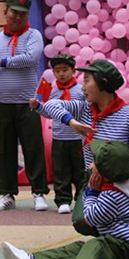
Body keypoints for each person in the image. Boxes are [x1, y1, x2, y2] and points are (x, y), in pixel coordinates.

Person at [1, 140, 129, 259]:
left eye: (94, 164)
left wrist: (91, 192)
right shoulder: (115, 187)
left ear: (103, 174)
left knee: (98, 245)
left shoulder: (113, 195)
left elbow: (90, 217)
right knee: (79, 247)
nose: (90, 166)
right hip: (118, 243)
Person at [40, 59, 129, 235]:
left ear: (103, 83)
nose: (82, 87)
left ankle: (124, 237)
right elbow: (50, 105)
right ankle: (112, 235)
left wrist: (109, 165)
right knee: (81, 221)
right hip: (92, 178)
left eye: (87, 81)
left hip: (121, 180)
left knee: (112, 215)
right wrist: (71, 121)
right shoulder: (84, 110)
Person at [0, 0, 49, 212]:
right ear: (5, 12)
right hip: (2, 104)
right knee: (4, 150)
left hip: (28, 103)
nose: (18, 17)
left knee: (33, 148)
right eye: (14, 12)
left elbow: (30, 58)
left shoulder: (33, 35)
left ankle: (39, 193)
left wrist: (2, 62)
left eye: (22, 14)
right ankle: (7, 194)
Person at [30, 53, 85, 215]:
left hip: (79, 138)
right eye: (57, 71)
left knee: (81, 172)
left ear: (73, 70)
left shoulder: (81, 90)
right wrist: (38, 107)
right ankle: (63, 200)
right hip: (59, 138)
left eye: (65, 70)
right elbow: (49, 113)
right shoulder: (52, 91)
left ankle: (82, 200)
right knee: (61, 172)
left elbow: (87, 110)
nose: (61, 74)